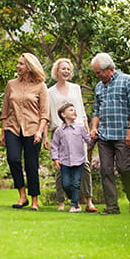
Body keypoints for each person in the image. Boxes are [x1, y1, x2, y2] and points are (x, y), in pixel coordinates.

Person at [89, 53, 130, 215]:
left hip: (122, 135)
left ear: (108, 69)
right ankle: (112, 207)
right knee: (105, 170)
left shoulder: (127, 80)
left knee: (124, 168)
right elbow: (96, 111)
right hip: (104, 136)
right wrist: (94, 128)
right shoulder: (99, 86)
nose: (97, 76)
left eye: (98, 73)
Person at [45, 58, 98, 212]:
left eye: (68, 69)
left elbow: (81, 110)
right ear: (57, 71)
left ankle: (89, 201)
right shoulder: (50, 92)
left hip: (77, 130)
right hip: (59, 131)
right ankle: (62, 201)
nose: (66, 71)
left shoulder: (76, 88)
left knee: (84, 165)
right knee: (61, 168)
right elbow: (47, 115)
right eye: (63, 68)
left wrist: (86, 128)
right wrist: (45, 136)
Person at [0, 53, 49, 211]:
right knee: (13, 159)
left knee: (31, 165)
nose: (17, 66)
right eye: (18, 63)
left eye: (21, 64)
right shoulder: (11, 84)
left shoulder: (41, 86)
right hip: (13, 127)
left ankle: (35, 200)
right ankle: (22, 196)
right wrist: (3, 132)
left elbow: (44, 113)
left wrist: (40, 132)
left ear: (29, 66)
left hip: (33, 129)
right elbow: (5, 110)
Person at [50, 103, 93, 213]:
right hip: (64, 162)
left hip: (79, 161)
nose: (74, 112)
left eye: (74, 110)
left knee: (76, 183)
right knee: (66, 184)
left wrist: (92, 137)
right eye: (71, 110)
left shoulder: (80, 128)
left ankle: (74, 205)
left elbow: (88, 140)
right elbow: (54, 146)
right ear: (63, 114)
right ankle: (74, 199)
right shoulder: (59, 131)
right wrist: (55, 159)